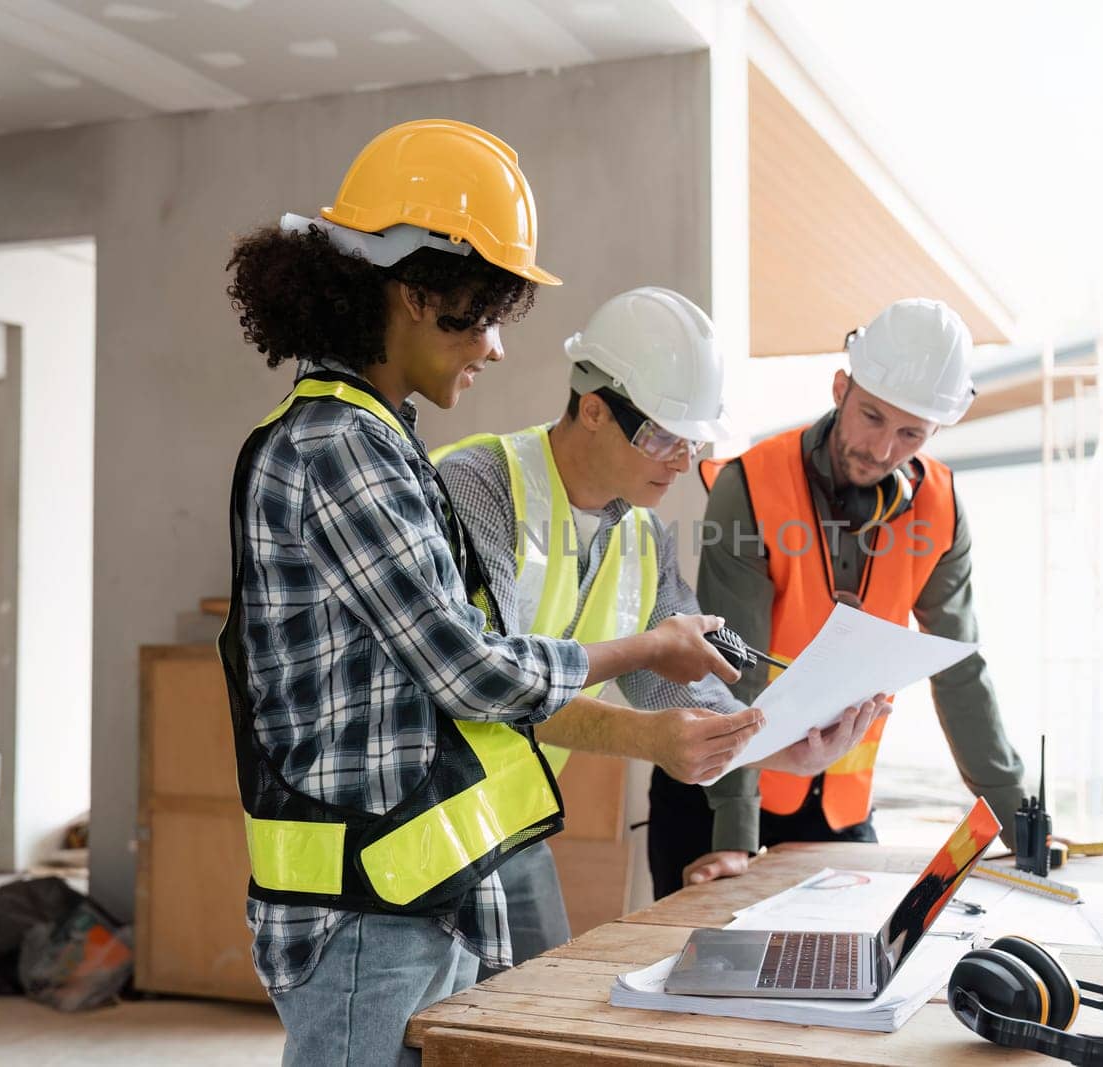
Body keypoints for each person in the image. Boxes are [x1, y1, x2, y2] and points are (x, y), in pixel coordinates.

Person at [217, 119, 747, 1066]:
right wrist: (644, 650)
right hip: (358, 911)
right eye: (486, 314)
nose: (497, 348)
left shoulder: (381, 441)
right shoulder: (339, 448)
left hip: (421, 886)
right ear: (419, 294)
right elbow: (470, 668)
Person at [434, 285, 888, 964]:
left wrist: (781, 745)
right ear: (593, 409)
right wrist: (648, 736)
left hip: (509, 822)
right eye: (664, 436)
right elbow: (493, 685)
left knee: (534, 1024)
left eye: (693, 441)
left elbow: (682, 691)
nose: (682, 461)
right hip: (420, 818)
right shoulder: (480, 485)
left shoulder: (643, 536)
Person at [648, 298, 1028, 898]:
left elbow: (959, 669)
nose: (881, 450)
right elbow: (732, 666)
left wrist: (1017, 815)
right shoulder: (750, 488)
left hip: (838, 809)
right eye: (872, 417)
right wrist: (734, 834)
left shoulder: (941, 510)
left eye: (910, 433)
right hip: (721, 793)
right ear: (840, 387)